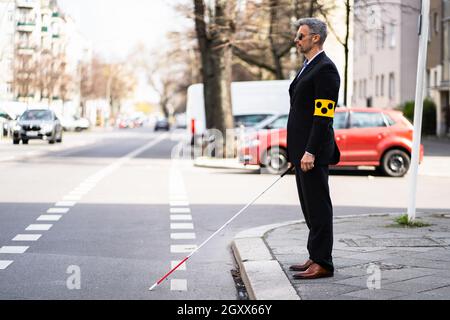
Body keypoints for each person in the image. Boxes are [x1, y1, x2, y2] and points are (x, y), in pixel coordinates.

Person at [287, 18, 341, 280]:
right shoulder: (308, 66)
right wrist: (295, 152)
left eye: (301, 36)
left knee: (319, 207)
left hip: (313, 154)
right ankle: (314, 255)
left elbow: (323, 117)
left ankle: (323, 263)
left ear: (315, 38)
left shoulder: (326, 70)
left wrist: (309, 151)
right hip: (302, 153)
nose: (297, 40)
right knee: (309, 208)